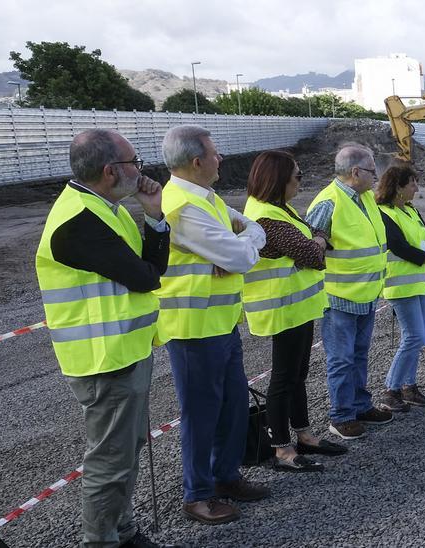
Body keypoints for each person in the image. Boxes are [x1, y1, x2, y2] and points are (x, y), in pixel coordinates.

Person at [36, 129, 174, 547]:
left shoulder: (104, 208)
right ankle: (102, 540)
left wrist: (154, 215)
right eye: (136, 162)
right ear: (112, 171)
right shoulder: (78, 222)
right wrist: (153, 216)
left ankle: (122, 530)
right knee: (109, 461)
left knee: (125, 452)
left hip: (122, 352)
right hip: (104, 360)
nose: (142, 170)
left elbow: (149, 269)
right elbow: (148, 277)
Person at [157, 124, 270, 524]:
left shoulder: (208, 199)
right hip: (192, 327)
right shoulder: (181, 206)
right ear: (197, 161)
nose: (221, 159)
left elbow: (254, 232)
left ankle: (225, 477)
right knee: (201, 413)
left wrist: (244, 243)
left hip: (220, 322)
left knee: (233, 405)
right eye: (216, 153)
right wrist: (240, 248)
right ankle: (198, 495)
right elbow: (241, 256)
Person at [240, 150, 344, 472]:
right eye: (297, 176)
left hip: (297, 307)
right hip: (282, 310)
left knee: (297, 376)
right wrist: (319, 242)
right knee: (284, 379)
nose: (301, 181)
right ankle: (282, 449)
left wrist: (316, 240)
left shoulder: (277, 209)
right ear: (279, 179)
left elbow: (311, 242)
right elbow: (312, 254)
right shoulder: (267, 217)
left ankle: (305, 436)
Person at [305, 145, 394, 440]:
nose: (376, 176)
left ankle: (359, 405)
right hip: (339, 296)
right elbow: (310, 250)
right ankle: (341, 416)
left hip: (365, 293)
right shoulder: (328, 202)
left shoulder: (364, 198)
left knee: (358, 354)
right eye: (372, 171)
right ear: (355, 172)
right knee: (341, 359)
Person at [374, 165, 425, 412]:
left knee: (416, 337)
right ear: (398, 187)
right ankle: (391, 389)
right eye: (412, 183)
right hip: (400, 286)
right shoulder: (384, 214)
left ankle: (408, 386)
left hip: (418, 282)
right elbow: (399, 247)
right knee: (413, 336)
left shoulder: (410, 210)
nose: (416, 188)